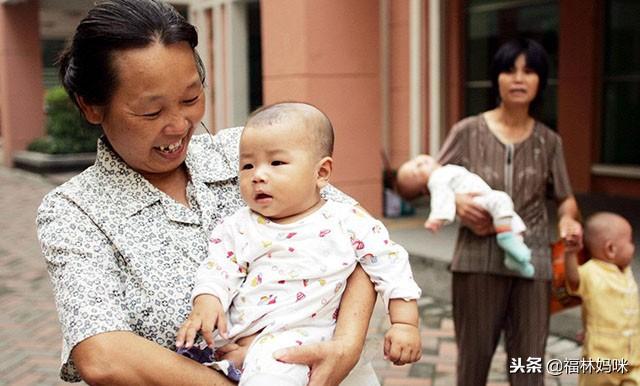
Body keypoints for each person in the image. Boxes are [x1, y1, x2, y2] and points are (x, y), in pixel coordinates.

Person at [36, 1, 379, 384]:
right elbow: (102, 356)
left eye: (190, 99)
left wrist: (345, 347)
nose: (179, 125)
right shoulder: (75, 211)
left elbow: (362, 239)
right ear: (91, 107)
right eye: (151, 112)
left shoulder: (248, 155)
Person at [176, 102, 423, 385]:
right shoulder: (239, 226)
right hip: (267, 348)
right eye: (247, 165)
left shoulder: (347, 220)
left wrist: (405, 323)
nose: (258, 175)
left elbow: (390, 263)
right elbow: (218, 268)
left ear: (321, 173)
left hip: (325, 338)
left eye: (277, 163)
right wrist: (207, 300)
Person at [436, 37, 583, 385]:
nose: (518, 79)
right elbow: (434, 179)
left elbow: (566, 197)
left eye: (529, 71)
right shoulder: (467, 131)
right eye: (509, 70)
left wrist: (567, 220)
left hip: (534, 264)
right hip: (475, 262)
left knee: (528, 367)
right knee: (472, 366)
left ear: (540, 81)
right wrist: (455, 203)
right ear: (496, 78)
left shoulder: (550, 141)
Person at [396, 154, 534, 277]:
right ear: (424, 190)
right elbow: (441, 199)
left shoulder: (444, 170)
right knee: (502, 199)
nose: (420, 163)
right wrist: (436, 218)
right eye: (416, 172)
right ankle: (506, 238)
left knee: (513, 219)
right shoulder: (436, 179)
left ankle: (514, 258)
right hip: (477, 200)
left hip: (484, 197)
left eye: (414, 161)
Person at [564, 212, 639, 385]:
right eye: (630, 241)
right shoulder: (592, 272)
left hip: (632, 356)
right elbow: (574, 281)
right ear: (611, 249)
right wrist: (570, 254)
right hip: (602, 360)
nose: (633, 247)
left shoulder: (625, 271)